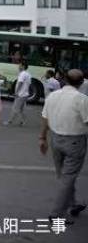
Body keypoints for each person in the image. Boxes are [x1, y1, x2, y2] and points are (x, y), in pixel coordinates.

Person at [39, 69, 88, 223]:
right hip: (75, 141)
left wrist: (42, 138)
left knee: (65, 176)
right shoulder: (82, 99)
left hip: (55, 139)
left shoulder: (53, 96)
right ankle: (57, 214)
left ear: (65, 80)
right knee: (68, 177)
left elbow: (45, 118)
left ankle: (73, 204)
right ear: (81, 83)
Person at [6, 60, 31, 126]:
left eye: (19, 65)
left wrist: (16, 92)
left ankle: (9, 121)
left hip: (21, 94)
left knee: (15, 108)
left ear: (23, 66)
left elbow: (20, 83)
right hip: (25, 94)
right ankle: (23, 122)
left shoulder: (22, 74)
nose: (18, 66)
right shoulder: (28, 74)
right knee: (21, 109)